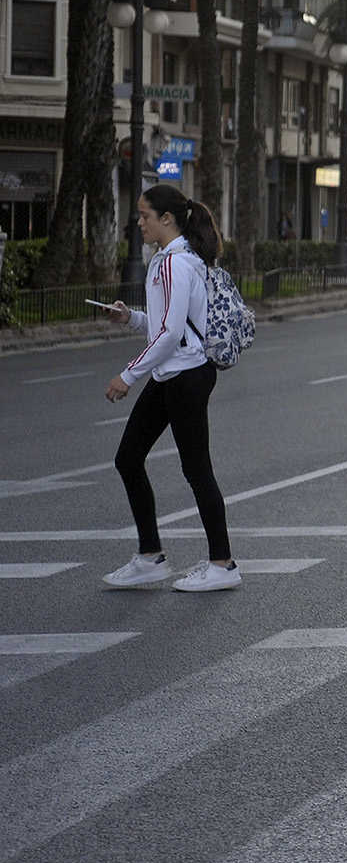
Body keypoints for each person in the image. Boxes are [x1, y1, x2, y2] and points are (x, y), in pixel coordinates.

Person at [98, 185, 240, 593]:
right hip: (173, 373)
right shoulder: (172, 260)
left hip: (185, 375)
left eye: (144, 216)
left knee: (197, 469)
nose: (138, 223)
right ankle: (149, 557)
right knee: (128, 458)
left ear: (167, 219)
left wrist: (127, 375)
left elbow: (173, 333)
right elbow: (165, 325)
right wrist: (130, 319)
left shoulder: (175, 263)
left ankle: (223, 564)